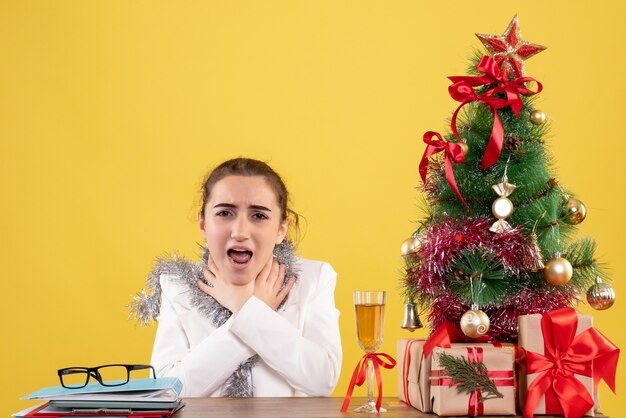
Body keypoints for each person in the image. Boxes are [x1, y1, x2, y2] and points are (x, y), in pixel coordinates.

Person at [146, 157, 342, 397]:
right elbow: (165, 391)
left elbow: (322, 379)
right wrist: (254, 312)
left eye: (259, 216)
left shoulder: (313, 279)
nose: (239, 232)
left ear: (281, 229)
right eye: (225, 213)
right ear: (203, 224)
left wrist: (243, 306)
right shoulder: (178, 286)